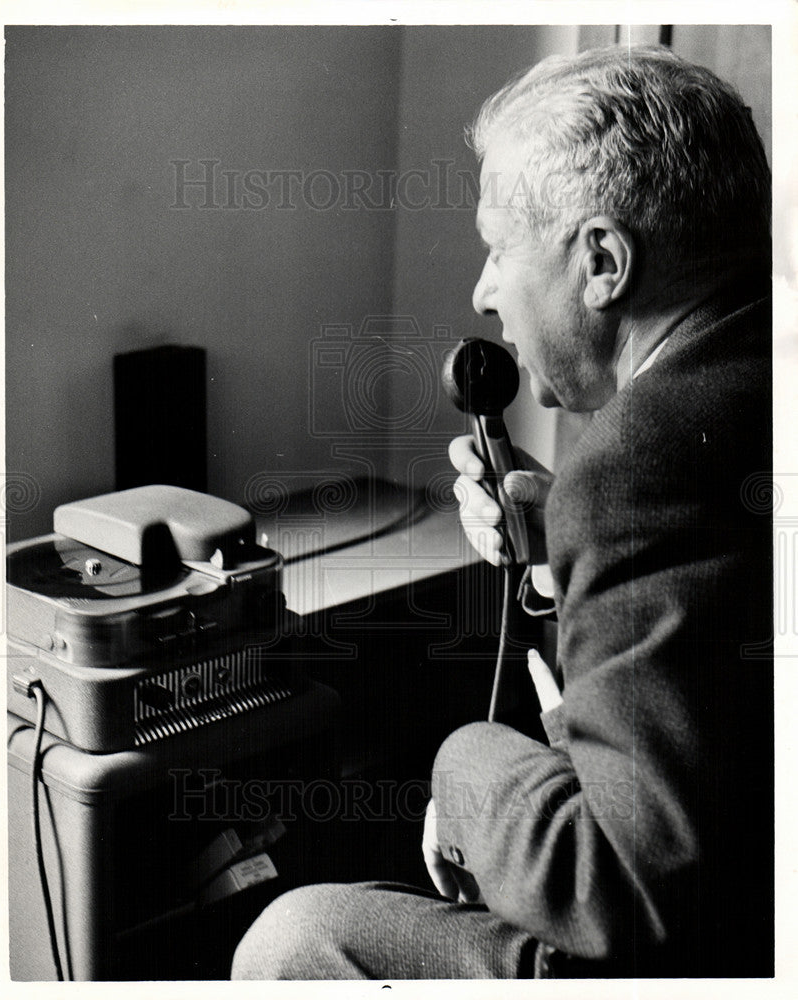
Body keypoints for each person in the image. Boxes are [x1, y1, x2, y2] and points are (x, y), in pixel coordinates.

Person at [231, 44, 773, 979]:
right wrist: (568, 548)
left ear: (601, 260)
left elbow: (622, 891)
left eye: (496, 248)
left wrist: (465, 761)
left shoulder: (632, 471)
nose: (483, 294)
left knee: (293, 938)